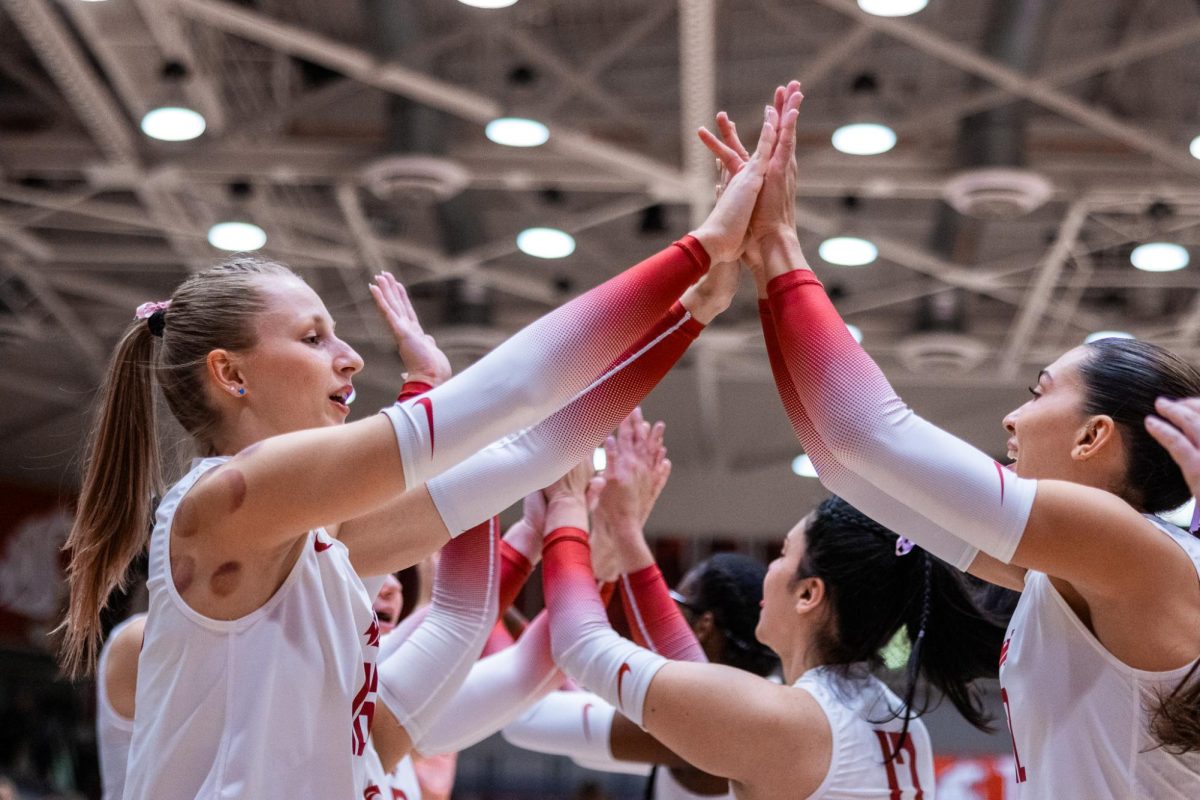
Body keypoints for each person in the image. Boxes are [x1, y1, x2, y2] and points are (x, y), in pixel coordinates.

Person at [60, 103, 780, 799]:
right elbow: (514, 396)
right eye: (313, 338)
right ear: (230, 373)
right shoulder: (221, 502)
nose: (347, 358)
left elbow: (519, 471)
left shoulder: (314, 539)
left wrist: (694, 314)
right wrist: (701, 247)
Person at [704, 81, 1200, 796]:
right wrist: (763, 269)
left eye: (1038, 394)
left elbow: (872, 433)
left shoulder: (1123, 544)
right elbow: (843, 463)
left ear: (1095, 436)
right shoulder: (1069, 570)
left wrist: (783, 246)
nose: (1012, 418)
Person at [504, 412, 778, 800]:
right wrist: (498, 610)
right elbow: (564, 691)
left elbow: (526, 715)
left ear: (705, 626)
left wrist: (608, 533)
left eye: (678, 601)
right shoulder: (768, 702)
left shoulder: (709, 725)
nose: (665, 607)